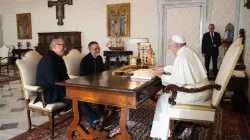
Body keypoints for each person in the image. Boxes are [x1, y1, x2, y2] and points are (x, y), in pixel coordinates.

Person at [150, 35, 210, 140]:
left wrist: (161, 76)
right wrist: (163, 68)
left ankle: (160, 134)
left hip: (195, 93)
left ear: (176, 46)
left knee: (163, 99)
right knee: (165, 96)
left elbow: (178, 82)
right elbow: (181, 69)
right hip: (203, 90)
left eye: (170, 46)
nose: (170, 49)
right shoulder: (189, 51)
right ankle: (169, 124)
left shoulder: (181, 57)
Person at [35, 38, 103, 127]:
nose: (65, 48)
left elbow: (65, 77)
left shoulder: (58, 58)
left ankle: (96, 116)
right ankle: (95, 121)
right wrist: (70, 90)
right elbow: (54, 82)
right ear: (54, 46)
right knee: (76, 96)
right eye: (63, 46)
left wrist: (73, 87)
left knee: (81, 93)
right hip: (48, 93)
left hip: (58, 89)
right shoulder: (48, 60)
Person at [80, 41, 108, 125]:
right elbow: (83, 77)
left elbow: (103, 71)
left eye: (98, 48)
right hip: (89, 84)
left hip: (99, 83)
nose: (97, 50)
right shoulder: (85, 60)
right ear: (90, 50)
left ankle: (103, 112)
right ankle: (96, 117)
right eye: (95, 49)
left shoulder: (99, 58)